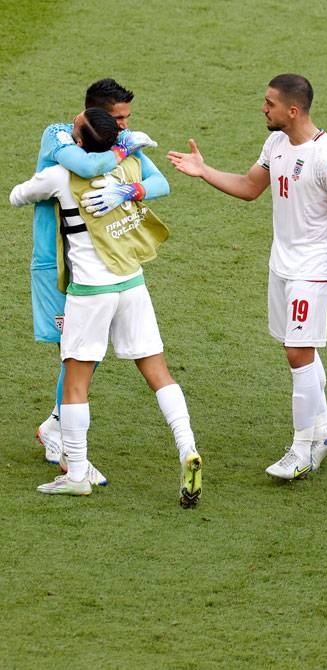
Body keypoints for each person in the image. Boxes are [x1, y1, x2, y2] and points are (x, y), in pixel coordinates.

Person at [167, 73, 327, 479]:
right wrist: (204, 171)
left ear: (292, 110)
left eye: (270, 103)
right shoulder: (276, 143)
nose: (263, 108)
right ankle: (325, 430)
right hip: (281, 264)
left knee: (299, 353)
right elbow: (249, 187)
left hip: (312, 270)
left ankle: (302, 449)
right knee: (297, 349)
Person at [9, 107, 203, 507]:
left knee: (76, 381)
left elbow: (17, 196)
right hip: (132, 284)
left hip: (90, 293)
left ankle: (77, 473)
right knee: (159, 374)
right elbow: (158, 183)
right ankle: (187, 449)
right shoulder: (128, 168)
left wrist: (53, 166)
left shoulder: (60, 176)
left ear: (79, 141)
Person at [32, 79, 162, 474]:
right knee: (73, 353)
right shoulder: (58, 136)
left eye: (127, 120)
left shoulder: (108, 139)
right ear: (97, 116)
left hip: (98, 264)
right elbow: (87, 166)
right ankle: (65, 443)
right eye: (118, 119)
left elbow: (159, 182)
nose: (123, 126)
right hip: (56, 263)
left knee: (85, 353)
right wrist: (123, 149)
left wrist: (132, 190)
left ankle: (57, 427)